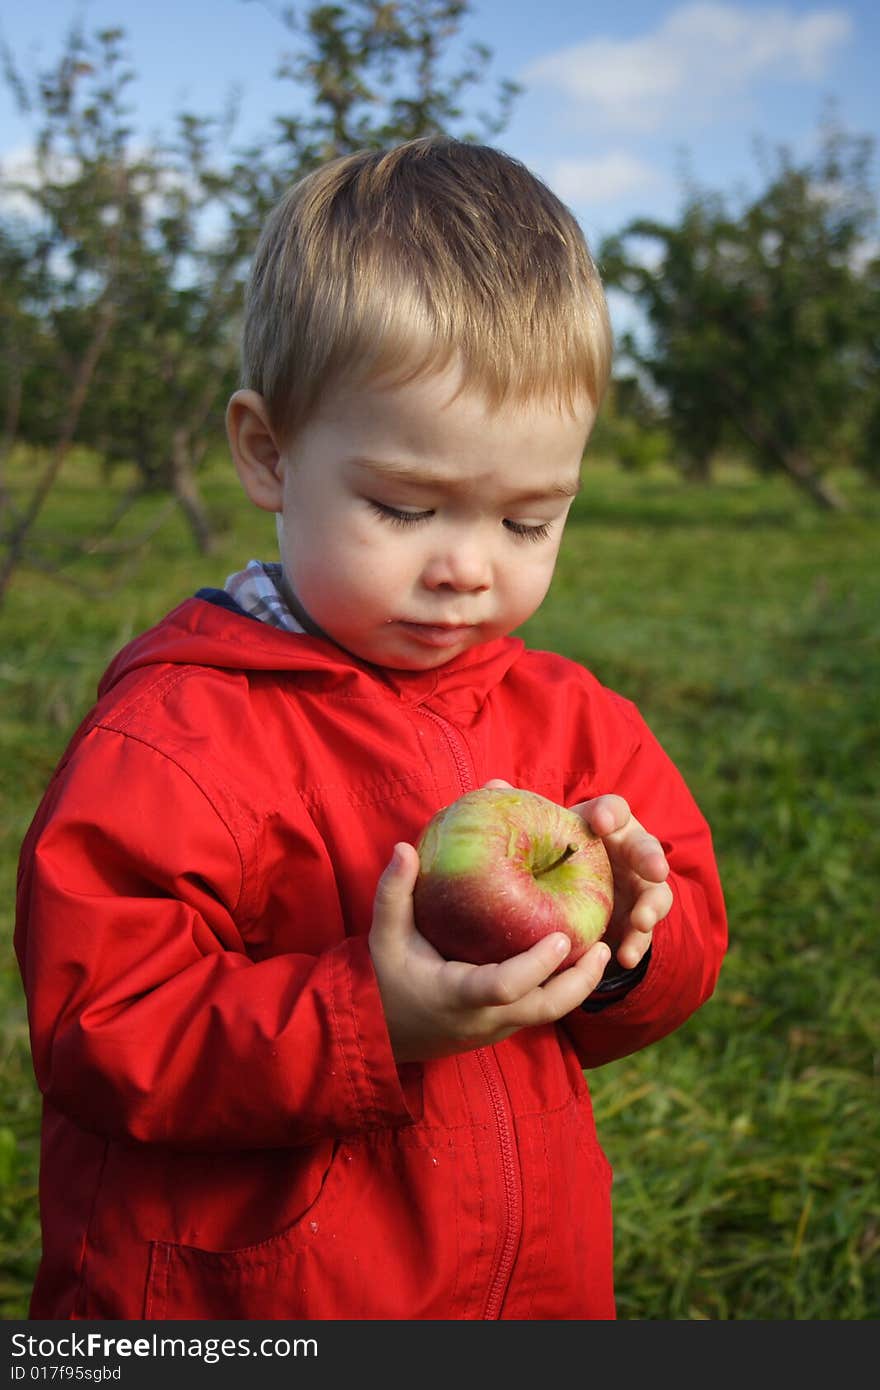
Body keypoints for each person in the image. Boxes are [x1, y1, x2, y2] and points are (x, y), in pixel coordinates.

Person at [15, 136, 727, 1321]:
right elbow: (102, 1026)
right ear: (269, 453)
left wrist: (635, 944)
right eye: (404, 506)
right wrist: (366, 1018)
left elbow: (689, 936)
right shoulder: (178, 737)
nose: (465, 568)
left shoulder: (570, 719)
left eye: (528, 521)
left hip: (526, 1289)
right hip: (252, 1305)